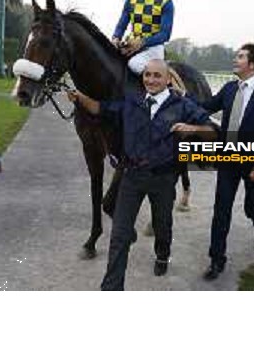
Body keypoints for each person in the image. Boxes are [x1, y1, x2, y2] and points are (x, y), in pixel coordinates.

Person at [67, 59, 214, 290]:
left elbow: (213, 131)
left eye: (157, 76)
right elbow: (100, 108)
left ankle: (162, 255)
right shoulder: (131, 102)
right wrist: (79, 97)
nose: (151, 80)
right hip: (131, 176)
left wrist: (193, 129)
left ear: (168, 79)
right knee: (119, 236)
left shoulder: (183, 105)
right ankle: (112, 288)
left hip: (163, 179)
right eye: (147, 75)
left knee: (162, 226)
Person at [200, 43, 254, 280]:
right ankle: (216, 260)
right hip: (229, 159)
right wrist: (176, 95)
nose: (235, 59)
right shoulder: (230, 89)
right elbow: (206, 106)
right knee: (221, 210)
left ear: (253, 64)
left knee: (253, 207)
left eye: (240, 56)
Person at [111, 0, 174, 75]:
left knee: (134, 64)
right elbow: (121, 26)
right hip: (130, 45)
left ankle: (166, 83)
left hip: (153, 49)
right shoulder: (131, 0)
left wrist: (142, 42)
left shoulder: (166, 2)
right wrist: (116, 38)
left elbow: (165, 35)